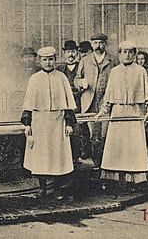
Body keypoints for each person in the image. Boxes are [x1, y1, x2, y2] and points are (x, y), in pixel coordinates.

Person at [21, 46, 77, 201]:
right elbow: (28, 105)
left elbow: (69, 105)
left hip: (58, 123)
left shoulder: (62, 78)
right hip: (39, 123)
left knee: (57, 156)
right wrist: (27, 124)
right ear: (39, 61)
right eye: (44, 59)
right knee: (41, 156)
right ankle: (42, 188)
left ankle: (56, 188)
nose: (48, 62)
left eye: (51, 59)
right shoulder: (34, 79)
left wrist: (69, 124)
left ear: (55, 60)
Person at [95, 41, 148, 186]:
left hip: (134, 112)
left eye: (130, 52)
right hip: (118, 113)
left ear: (134, 54)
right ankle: (115, 179)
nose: (127, 55)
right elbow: (109, 96)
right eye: (124, 52)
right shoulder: (115, 72)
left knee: (133, 147)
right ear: (120, 54)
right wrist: (102, 112)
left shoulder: (141, 71)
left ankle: (134, 180)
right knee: (117, 146)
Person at [74, 33, 118, 167]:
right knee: (93, 135)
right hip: (89, 102)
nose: (98, 46)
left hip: (107, 101)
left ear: (105, 44)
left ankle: (106, 164)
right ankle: (96, 164)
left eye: (101, 43)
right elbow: (76, 79)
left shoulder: (113, 60)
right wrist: (81, 83)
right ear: (92, 44)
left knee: (105, 134)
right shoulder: (85, 60)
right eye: (95, 43)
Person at [57, 40, 88, 164]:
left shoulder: (83, 66)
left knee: (80, 130)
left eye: (73, 51)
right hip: (64, 104)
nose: (71, 55)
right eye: (68, 52)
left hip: (81, 103)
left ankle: (79, 156)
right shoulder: (59, 69)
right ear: (64, 53)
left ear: (77, 53)